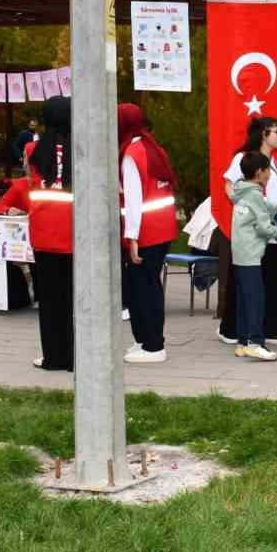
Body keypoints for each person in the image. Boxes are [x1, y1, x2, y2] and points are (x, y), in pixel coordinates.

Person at [221, 116, 277, 348]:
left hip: (272, 228)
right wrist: (247, 206)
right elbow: (229, 185)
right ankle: (233, 330)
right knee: (245, 282)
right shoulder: (245, 158)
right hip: (252, 231)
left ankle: (272, 328)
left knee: (273, 278)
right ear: (264, 133)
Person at [118, 103, 179, 363]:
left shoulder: (132, 153)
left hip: (144, 231)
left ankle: (153, 345)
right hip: (161, 228)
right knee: (145, 286)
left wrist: (131, 237)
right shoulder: (152, 147)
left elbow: (134, 199)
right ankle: (145, 340)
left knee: (143, 289)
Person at [231, 150, 277, 362]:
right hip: (251, 255)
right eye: (268, 170)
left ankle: (243, 343)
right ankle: (255, 342)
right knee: (256, 300)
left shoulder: (243, 191)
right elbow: (263, 227)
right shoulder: (253, 194)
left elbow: (267, 206)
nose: (270, 175)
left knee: (245, 300)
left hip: (241, 254)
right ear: (260, 172)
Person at [27, 96, 73, 371]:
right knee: (73, 298)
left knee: (49, 299)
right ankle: (74, 357)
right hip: (74, 231)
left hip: (43, 232)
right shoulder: (80, 147)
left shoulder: (33, 148)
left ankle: (53, 357)